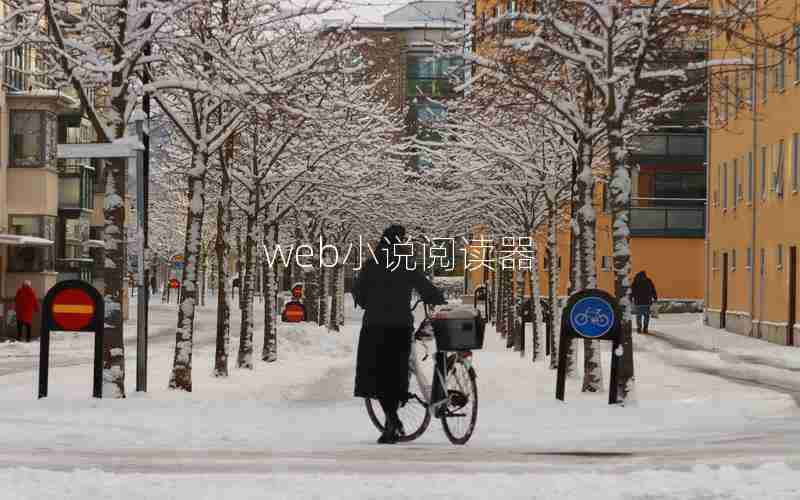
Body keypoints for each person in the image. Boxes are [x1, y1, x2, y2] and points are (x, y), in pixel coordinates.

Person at [352, 224, 446, 444]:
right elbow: (424, 287)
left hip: (374, 326)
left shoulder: (372, 263)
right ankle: (392, 421)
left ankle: (391, 421)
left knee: (376, 374)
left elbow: (359, 292)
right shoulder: (405, 263)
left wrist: (371, 303)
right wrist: (437, 298)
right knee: (395, 374)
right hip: (399, 326)